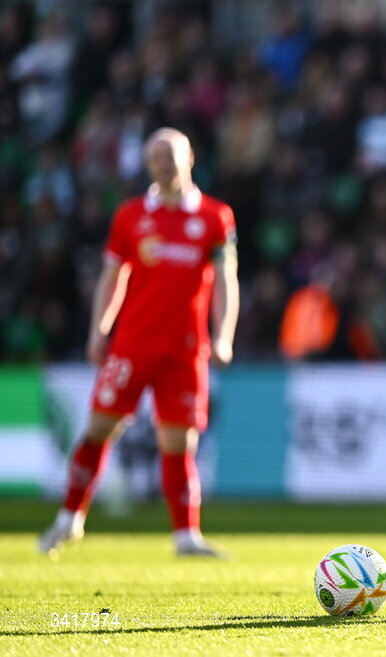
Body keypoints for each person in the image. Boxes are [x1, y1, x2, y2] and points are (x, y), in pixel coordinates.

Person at [38, 127, 239, 559]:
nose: (163, 164)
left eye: (170, 155)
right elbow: (113, 277)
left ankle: (186, 536)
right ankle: (69, 519)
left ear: (190, 157)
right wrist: (99, 331)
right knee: (98, 428)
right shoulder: (130, 216)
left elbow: (226, 280)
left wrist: (223, 335)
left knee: (179, 442)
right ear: (147, 165)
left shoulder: (216, 216)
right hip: (133, 345)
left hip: (186, 349)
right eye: (155, 158)